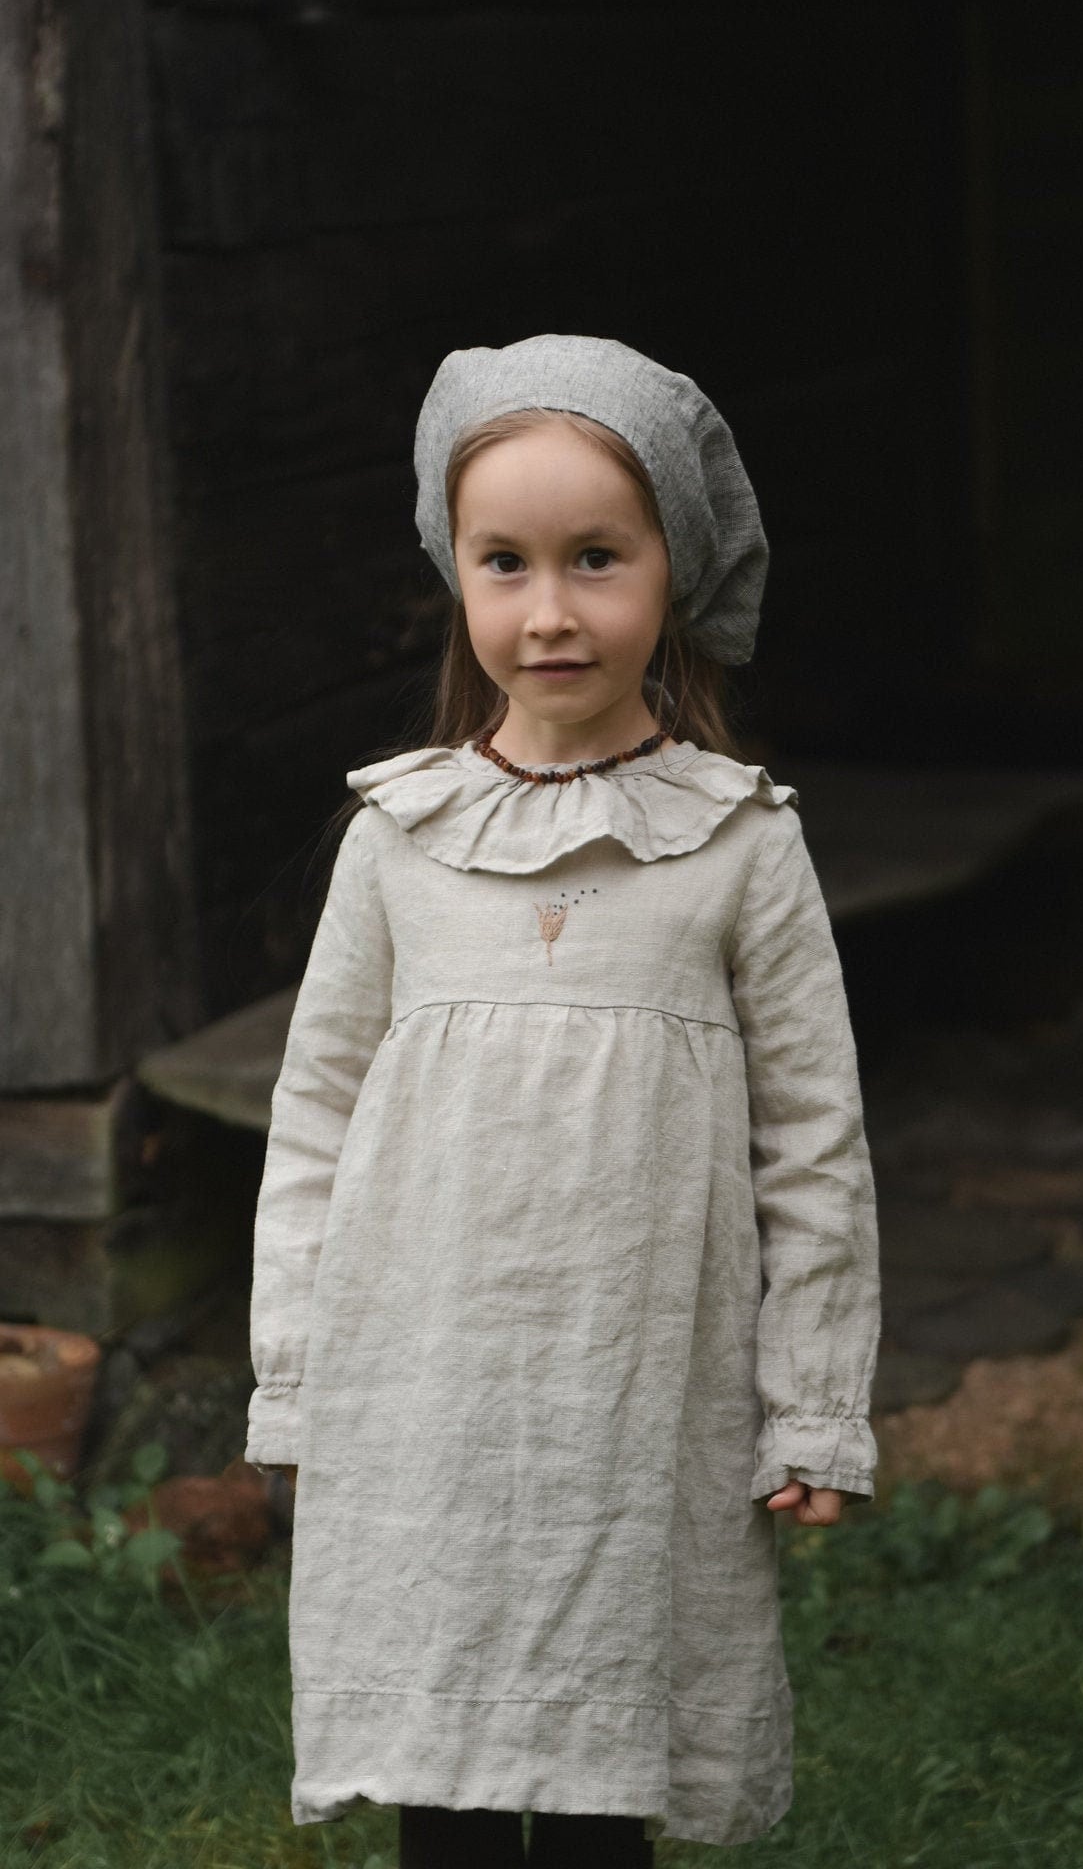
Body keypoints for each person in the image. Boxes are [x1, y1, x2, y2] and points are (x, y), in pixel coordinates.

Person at [245, 334, 882, 1865]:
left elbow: (813, 1144)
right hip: (428, 1397)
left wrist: (809, 1402)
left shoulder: (737, 844)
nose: (549, 612)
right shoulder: (399, 839)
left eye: (596, 558)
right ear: (454, 572)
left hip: (636, 1388)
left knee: (610, 1748)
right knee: (445, 1758)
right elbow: (314, 1113)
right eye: (506, 561)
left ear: (672, 565)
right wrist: (295, 1370)